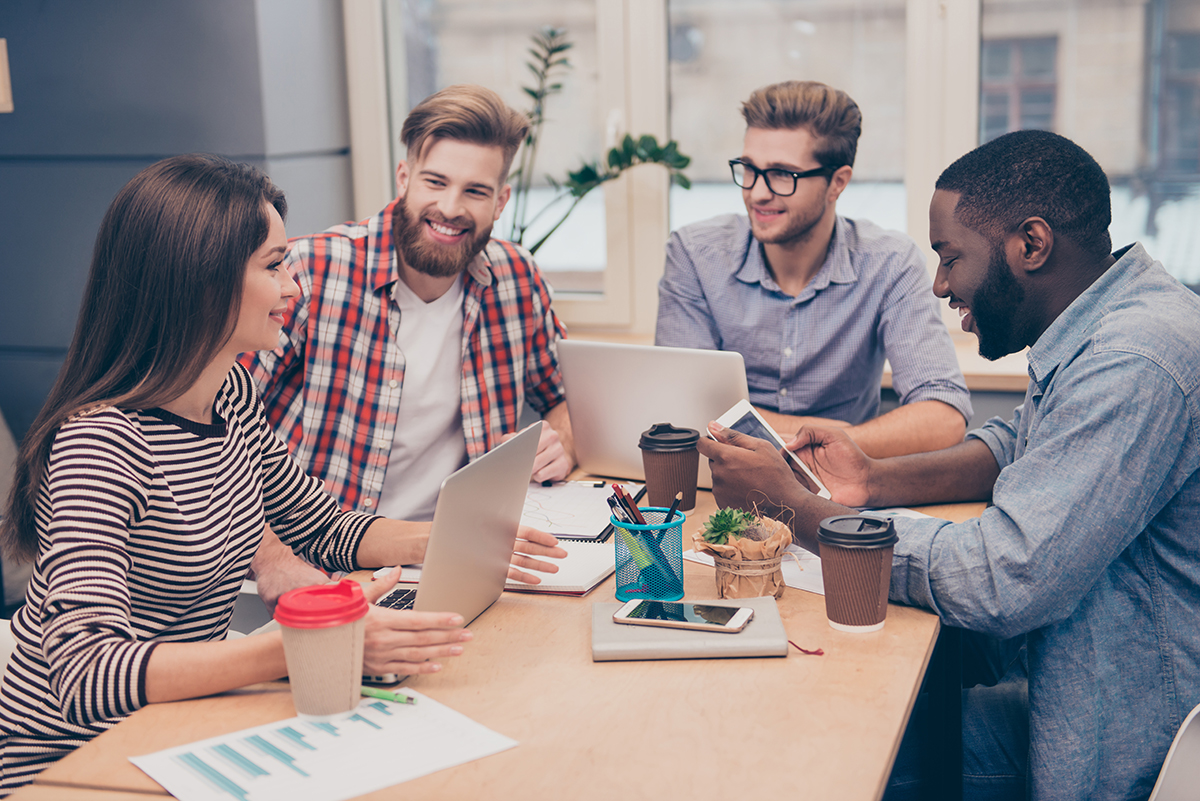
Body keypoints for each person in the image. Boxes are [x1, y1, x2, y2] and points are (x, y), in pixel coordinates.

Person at [0, 154, 563, 794]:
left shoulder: (230, 394)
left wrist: (464, 537)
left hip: (176, 730)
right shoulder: (101, 445)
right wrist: (310, 646)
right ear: (200, 282)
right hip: (67, 770)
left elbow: (319, 525)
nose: (294, 287)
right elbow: (86, 673)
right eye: (273, 266)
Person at [699, 129, 1200, 799]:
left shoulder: (1133, 361)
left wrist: (802, 510)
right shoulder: (1108, 319)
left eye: (949, 257)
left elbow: (1006, 575)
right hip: (1078, 691)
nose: (939, 284)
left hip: (1121, 749)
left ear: (1031, 244)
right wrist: (872, 479)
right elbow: (1016, 443)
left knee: (813, 764)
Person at [242, 84, 576, 523]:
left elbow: (570, 400)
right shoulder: (309, 271)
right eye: (435, 182)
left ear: (500, 202)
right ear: (404, 178)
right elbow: (218, 422)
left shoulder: (516, 278)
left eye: (475, 191)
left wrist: (563, 443)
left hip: (462, 549)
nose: (450, 207)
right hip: (324, 556)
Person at [656, 80, 971, 458]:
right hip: (725, 479)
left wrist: (766, 428)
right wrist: (841, 434)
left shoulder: (889, 262)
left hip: (844, 493)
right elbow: (683, 411)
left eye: (782, 175)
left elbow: (944, 418)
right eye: (749, 169)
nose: (757, 192)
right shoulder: (694, 254)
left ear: (837, 182)